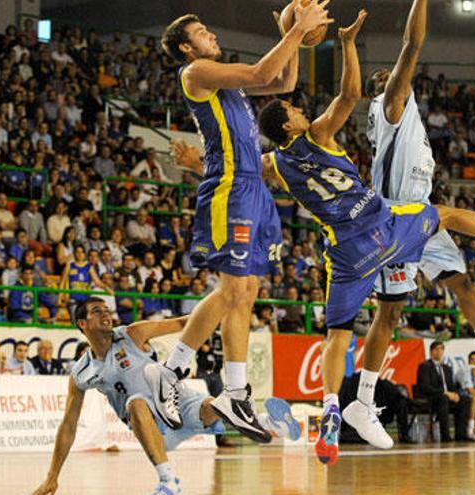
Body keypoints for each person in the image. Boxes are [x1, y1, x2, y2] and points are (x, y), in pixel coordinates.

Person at [252, 14, 475, 463]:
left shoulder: (279, 162)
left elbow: (252, 170)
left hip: (350, 247)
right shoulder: (378, 111)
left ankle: (342, 405)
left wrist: (202, 163)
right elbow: (394, 58)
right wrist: (348, 43)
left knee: (349, 330)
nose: (299, 109)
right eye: (292, 110)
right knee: (437, 231)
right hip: (386, 219)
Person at [143, 1, 331, 444]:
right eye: (202, 31)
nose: (211, 35)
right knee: (233, 290)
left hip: (254, 190)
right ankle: (176, 374)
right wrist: (294, 30)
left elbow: (282, 80)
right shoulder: (196, 74)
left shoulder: (226, 83)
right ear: (187, 48)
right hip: (231, 188)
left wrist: (298, 41)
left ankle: (230, 392)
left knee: (244, 292)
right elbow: (263, 73)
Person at [364, 0, 475, 433]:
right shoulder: (392, 105)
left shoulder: (406, 118)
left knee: (461, 283)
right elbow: (413, 43)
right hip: (396, 216)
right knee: (393, 307)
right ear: (380, 90)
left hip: (416, 215)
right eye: (386, 78)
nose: (395, 78)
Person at [30, 298, 301, 495]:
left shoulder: (133, 333)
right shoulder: (82, 373)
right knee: (136, 402)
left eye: (106, 309)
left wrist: (223, 299)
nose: (105, 313)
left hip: (178, 399)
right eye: (96, 311)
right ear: (82, 323)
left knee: (217, 406)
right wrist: (52, 477)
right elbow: (68, 425)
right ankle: (169, 481)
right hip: (154, 427)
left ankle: (269, 423)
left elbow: (185, 323)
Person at [417, 341, 469, 442]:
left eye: (441, 349)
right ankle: (445, 435)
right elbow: (425, 387)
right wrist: (444, 393)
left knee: (464, 400)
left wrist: (455, 394)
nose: (439, 351)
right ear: (431, 351)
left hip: (446, 397)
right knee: (443, 399)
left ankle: (460, 435)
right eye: (437, 349)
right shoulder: (425, 366)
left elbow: (451, 386)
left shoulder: (447, 368)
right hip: (432, 398)